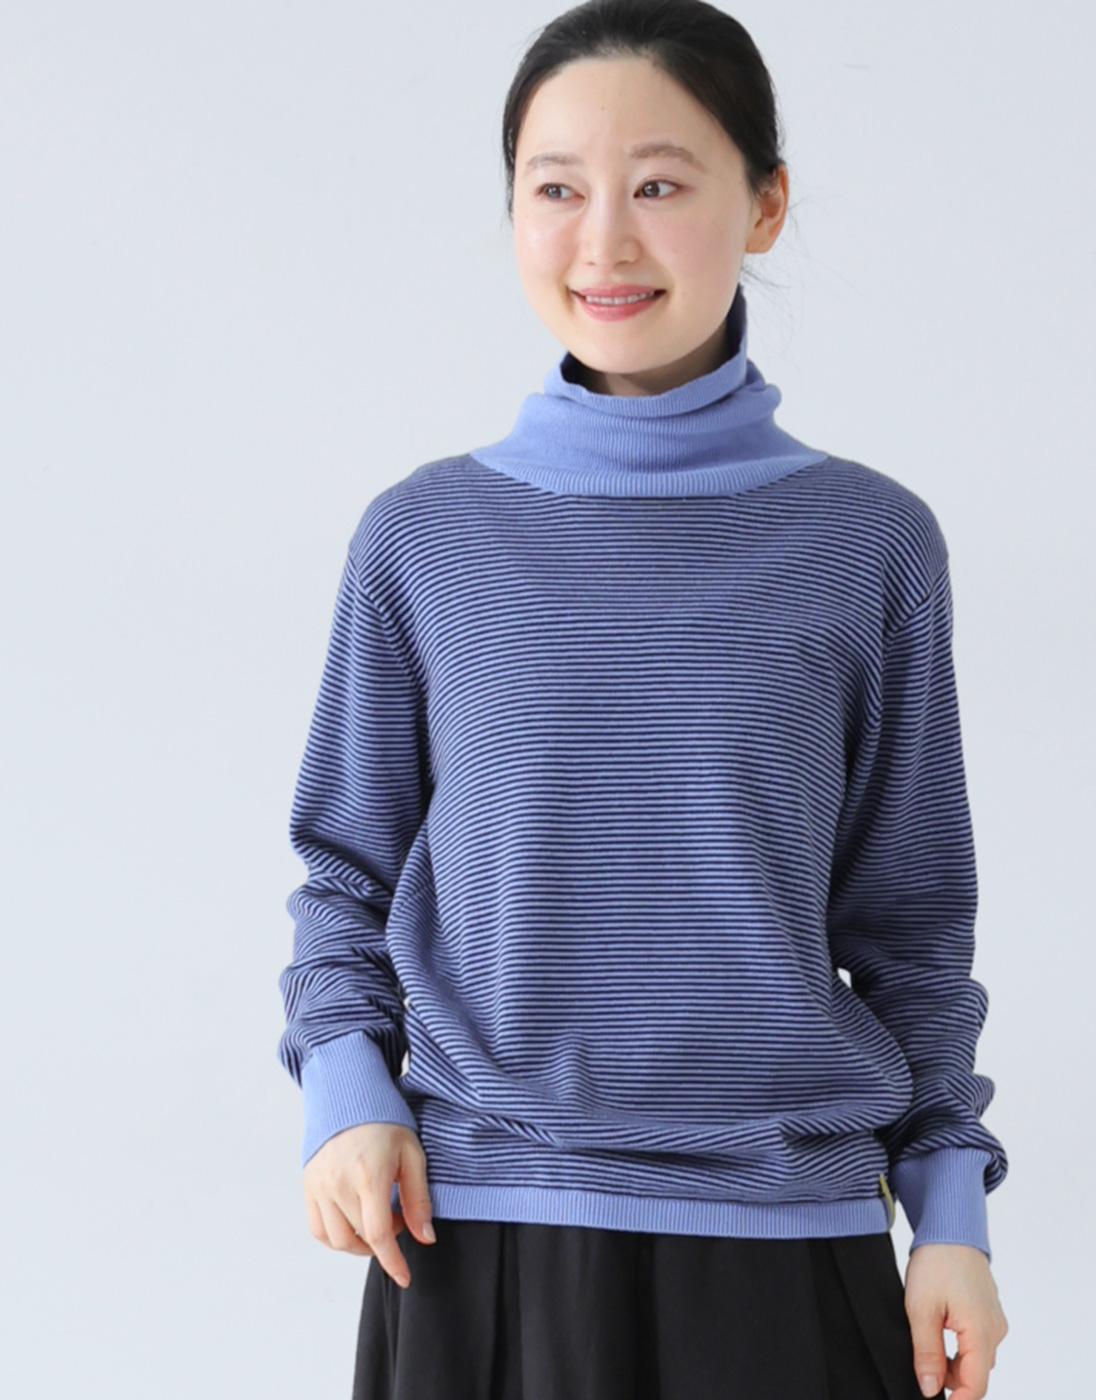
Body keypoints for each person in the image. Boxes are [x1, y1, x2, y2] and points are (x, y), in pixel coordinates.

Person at [275, 3, 1011, 1397]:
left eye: (660, 186)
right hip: (479, 1234)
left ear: (767, 204)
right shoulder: (425, 538)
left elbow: (912, 926)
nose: (604, 242)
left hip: (790, 1242)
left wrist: (952, 1217)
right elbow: (345, 876)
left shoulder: (870, 544)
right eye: (556, 190)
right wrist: (345, 1092)